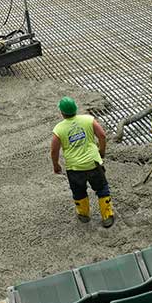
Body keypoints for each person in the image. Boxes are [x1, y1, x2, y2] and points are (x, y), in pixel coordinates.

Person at [50, 97, 115, 228]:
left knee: (79, 192)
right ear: (75, 108)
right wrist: (101, 152)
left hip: (74, 168)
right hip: (93, 163)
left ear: (62, 112)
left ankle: (84, 214)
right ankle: (107, 215)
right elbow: (102, 136)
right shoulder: (88, 120)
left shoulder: (59, 129)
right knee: (102, 188)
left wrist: (56, 165)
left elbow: (54, 150)